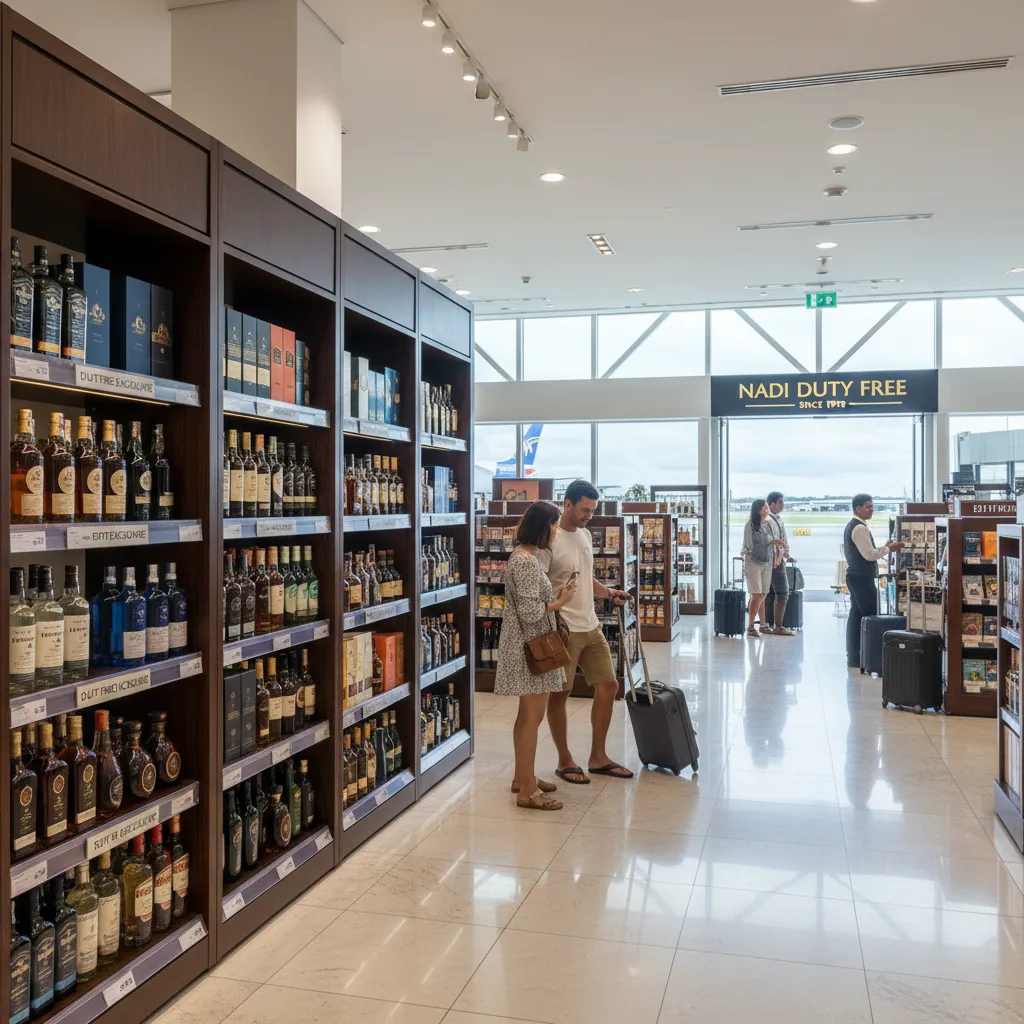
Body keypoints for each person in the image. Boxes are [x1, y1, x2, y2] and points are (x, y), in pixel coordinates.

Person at [539, 479, 635, 784]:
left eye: (593, 510)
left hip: (591, 624)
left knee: (608, 686)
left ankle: (598, 757)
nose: (589, 516)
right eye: (584, 509)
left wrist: (608, 592)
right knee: (559, 695)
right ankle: (565, 760)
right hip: (562, 628)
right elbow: (538, 587)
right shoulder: (549, 539)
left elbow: (584, 578)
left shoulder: (583, 534)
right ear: (566, 504)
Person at [495, 501, 579, 810]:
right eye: (555, 525)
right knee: (531, 718)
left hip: (526, 643)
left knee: (528, 716)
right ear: (543, 526)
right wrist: (562, 601)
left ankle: (522, 776)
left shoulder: (524, 556)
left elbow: (529, 603)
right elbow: (531, 613)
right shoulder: (527, 562)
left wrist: (555, 597)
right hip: (531, 647)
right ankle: (527, 791)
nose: (557, 531)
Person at [844, 493, 904, 668]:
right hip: (861, 578)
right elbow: (869, 555)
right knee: (869, 617)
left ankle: (855, 657)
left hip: (856, 577)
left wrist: (884, 547)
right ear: (858, 508)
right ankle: (868, 657)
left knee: (856, 617)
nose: (872, 509)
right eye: (868, 506)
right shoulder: (859, 528)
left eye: (872, 506)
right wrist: (888, 548)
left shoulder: (854, 526)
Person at [741, 498, 785, 638]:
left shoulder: (768, 524)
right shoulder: (750, 525)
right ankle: (750, 626)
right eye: (765, 507)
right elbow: (751, 545)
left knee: (764, 593)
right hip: (753, 562)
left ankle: (764, 625)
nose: (767, 510)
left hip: (767, 562)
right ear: (758, 509)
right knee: (756, 594)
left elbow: (772, 539)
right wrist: (771, 541)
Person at [763, 490, 795, 636]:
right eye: (780, 502)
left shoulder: (778, 519)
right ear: (772, 504)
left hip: (778, 558)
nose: (783, 505)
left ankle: (770, 624)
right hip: (773, 561)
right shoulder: (768, 520)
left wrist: (787, 554)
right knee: (782, 592)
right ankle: (778, 626)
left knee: (768, 593)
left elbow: (783, 539)